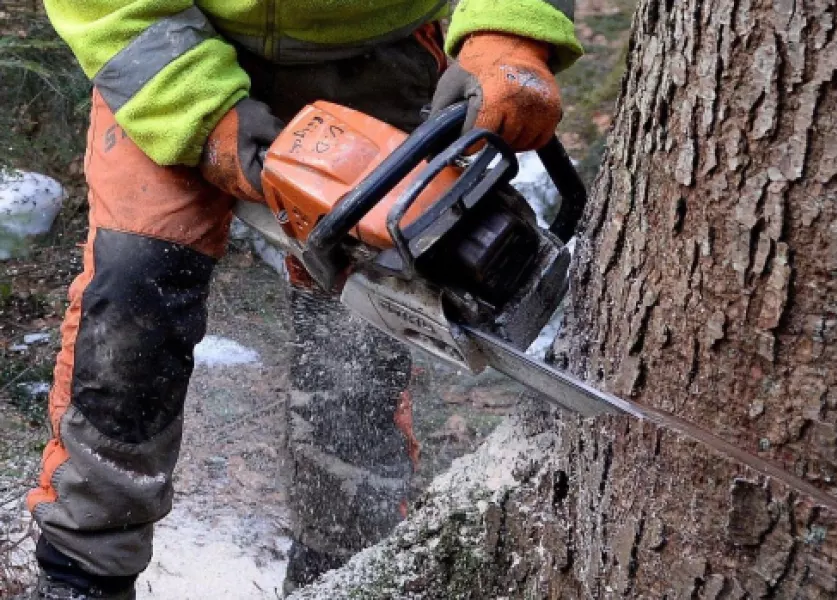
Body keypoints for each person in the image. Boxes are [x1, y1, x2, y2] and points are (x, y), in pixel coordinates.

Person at [25, 1, 582, 598]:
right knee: (133, 296)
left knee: (363, 338)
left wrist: (512, 31)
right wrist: (196, 108)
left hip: (375, 53)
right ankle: (85, 572)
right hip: (161, 51)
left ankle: (340, 564)